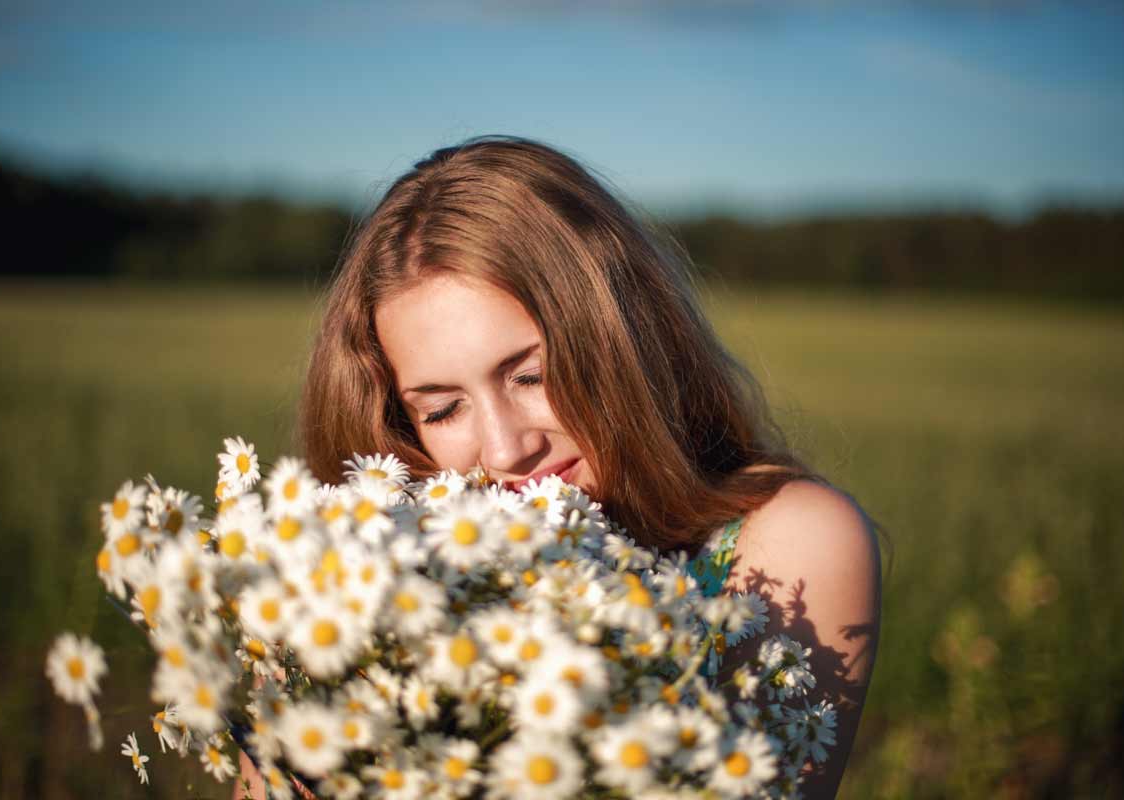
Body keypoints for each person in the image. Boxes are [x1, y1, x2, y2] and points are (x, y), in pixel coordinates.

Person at [235, 134, 881, 799]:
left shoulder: (788, 545)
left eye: (531, 375)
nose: (506, 450)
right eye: (444, 410)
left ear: (622, 337)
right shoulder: (362, 591)